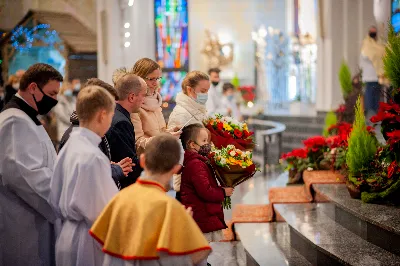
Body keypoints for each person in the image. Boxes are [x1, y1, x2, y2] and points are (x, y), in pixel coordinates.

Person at [90, 134, 211, 266]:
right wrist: (183, 226)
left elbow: (103, 249)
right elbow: (185, 261)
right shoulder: (171, 209)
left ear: (142, 161)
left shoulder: (118, 198)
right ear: (176, 168)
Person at [0, 63, 63, 265]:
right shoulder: (14, 121)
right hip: (23, 221)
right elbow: (26, 176)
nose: (54, 100)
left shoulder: (27, 118)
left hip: (35, 217)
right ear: (33, 87)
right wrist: (62, 203)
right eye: (52, 93)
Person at [50, 85, 119, 266]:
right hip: (88, 241)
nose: (110, 122)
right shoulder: (93, 156)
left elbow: (54, 193)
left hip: (66, 234)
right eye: (111, 116)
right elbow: (105, 212)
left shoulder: (71, 145)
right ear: (102, 115)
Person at [58, 78, 133, 189]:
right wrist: (114, 170)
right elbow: (89, 189)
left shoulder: (87, 137)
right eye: (111, 112)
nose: (113, 118)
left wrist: (108, 166)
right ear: (102, 115)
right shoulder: (82, 146)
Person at [180, 124, 233, 266]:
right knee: (199, 250)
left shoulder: (197, 161)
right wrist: (223, 192)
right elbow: (205, 191)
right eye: (203, 141)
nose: (207, 144)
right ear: (192, 144)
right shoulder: (196, 164)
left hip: (200, 213)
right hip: (200, 214)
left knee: (201, 249)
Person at [168, 71, 210, 194]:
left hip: (197, 174)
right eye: (203, 91)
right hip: (187, 180)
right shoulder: (182, 113)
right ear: (190, 90)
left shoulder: (197, 109)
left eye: (207, 91)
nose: (206, 95)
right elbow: (178, 151)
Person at [130, 58, 181, 155]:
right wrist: (165, 139)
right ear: (139, 78)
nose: (155, 83)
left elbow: (158, 133)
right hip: (149, 161)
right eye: (151, 79)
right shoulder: (135, 106)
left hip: (161, 156)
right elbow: (138, 143)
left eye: (157, 78)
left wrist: (171, 131)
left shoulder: (156, 101)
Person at [106, 74, 147, 188]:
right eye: (143, 95)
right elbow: (129, 165)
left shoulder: (116, 114)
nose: (143, 100)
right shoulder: (121, 123)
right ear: (132, 97)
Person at [360, 26, 385, 120]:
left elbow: (382, 53)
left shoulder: (378, 44)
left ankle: (376, 114)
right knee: (370, 95)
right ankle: (370, 114)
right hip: (369, 76)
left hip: (378, 76)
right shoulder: (366, 44)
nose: (373, 33)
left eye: (374, 32)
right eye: (372, 32)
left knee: (377, 96)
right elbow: (367, 55)